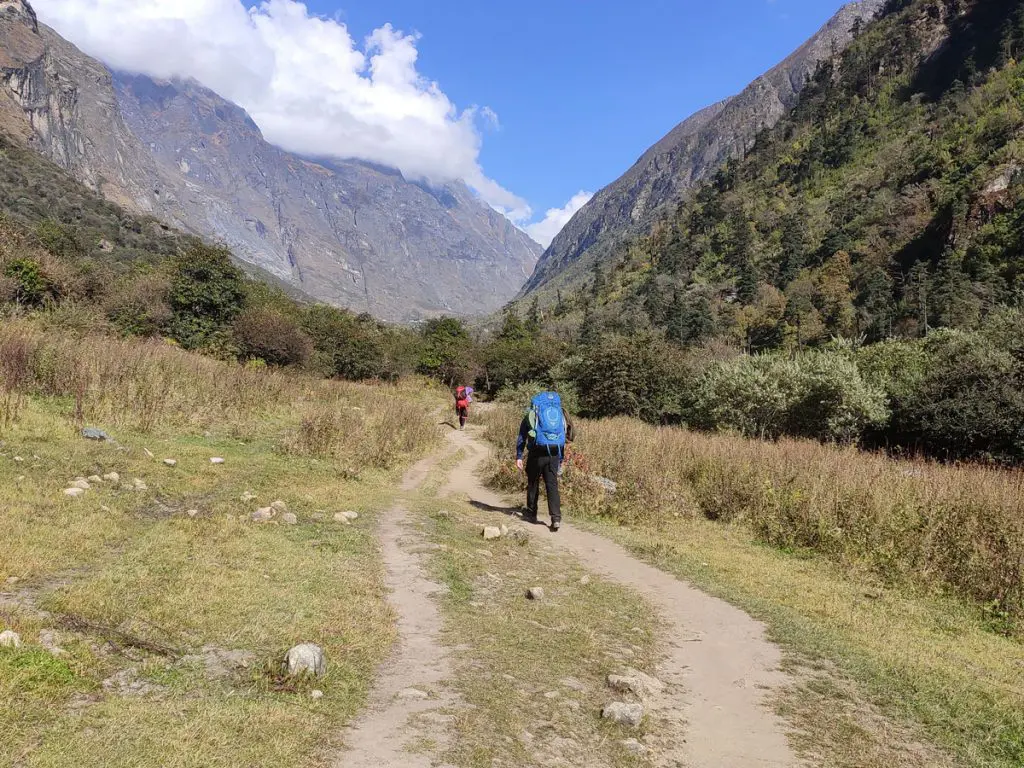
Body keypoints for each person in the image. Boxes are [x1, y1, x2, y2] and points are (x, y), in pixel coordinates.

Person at [515, 391, 574, 532]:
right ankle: (556, 518)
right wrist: (560, 458)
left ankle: (531, 512)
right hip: (554, 453)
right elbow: (564, 435)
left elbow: (522, 436)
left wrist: (519, 455)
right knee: (552, 485)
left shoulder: (532, 413)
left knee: (533, 482)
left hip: (537, 452)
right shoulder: (560, 412)